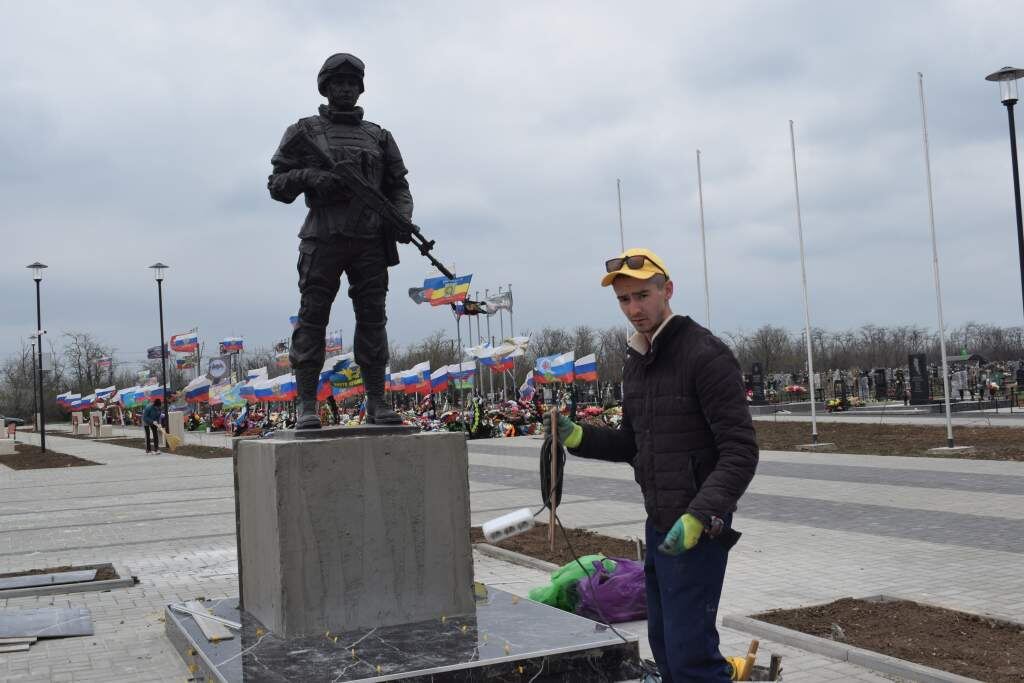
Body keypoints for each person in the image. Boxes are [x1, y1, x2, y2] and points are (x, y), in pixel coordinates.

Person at [550, 248, 758, 682]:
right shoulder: (638, 362)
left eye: (642, 295)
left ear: (668, 289)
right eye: (624, 300)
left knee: (691, 657)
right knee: (664, 644)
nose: (634, 309)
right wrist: (578, 437)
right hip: (660, 522)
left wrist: (701, 515)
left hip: (698, 527)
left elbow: (741, 450)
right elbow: (633, 443)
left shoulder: (705, 354)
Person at [268, 53, 413, 429]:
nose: (346, 89)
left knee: (372, 320)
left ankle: (377, 402)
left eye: (352, 83)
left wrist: (402, 220)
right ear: (326, 88)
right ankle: (306, 406)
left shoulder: (379, 137)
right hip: (323, 238)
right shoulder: (304, 132)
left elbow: (398, 188)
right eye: (338, 83)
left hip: (369, 241)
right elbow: (277, 185)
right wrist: (310, 178)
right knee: (313, 319)